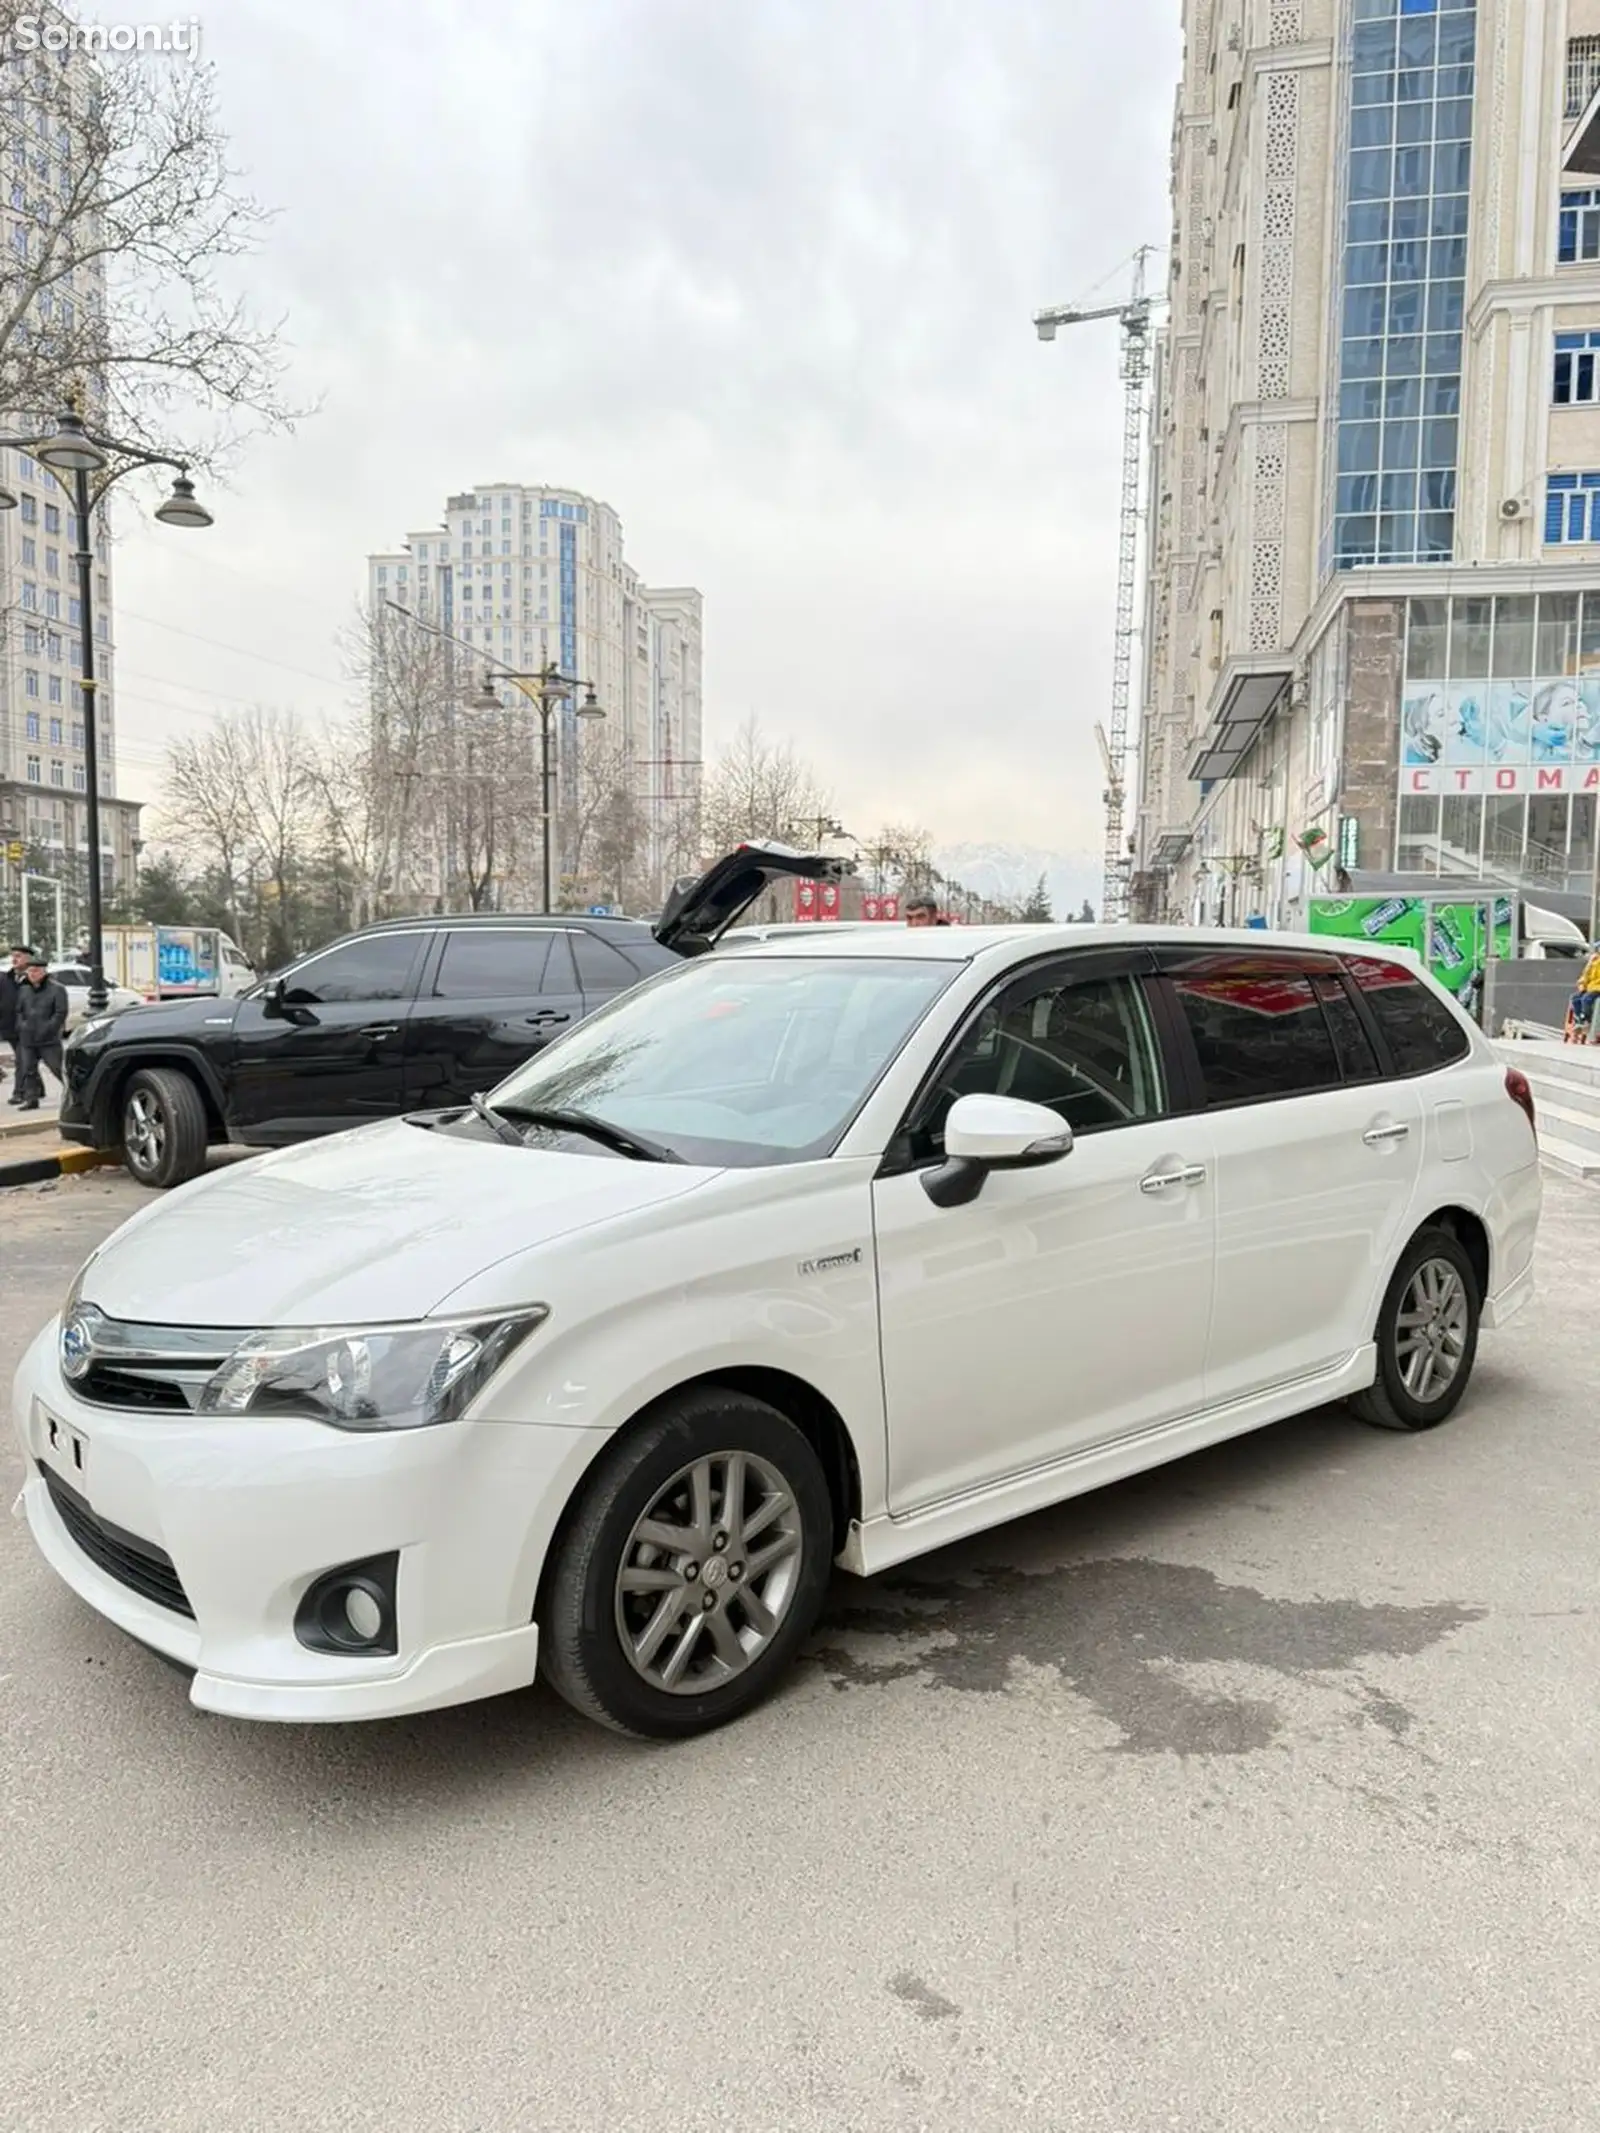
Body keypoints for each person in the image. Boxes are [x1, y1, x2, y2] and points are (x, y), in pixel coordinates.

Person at [12, 950, 68, 1111]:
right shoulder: (24, 989)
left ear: (44, 972)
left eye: (36, 971)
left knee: (58, 1068)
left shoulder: (56, 989)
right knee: (29, 1070)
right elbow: (19, 1010)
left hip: (48, 1039)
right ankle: (31, 1099)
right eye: (30, 971)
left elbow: (60, 1012)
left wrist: (50, 1028)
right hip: (27, 1038)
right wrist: (21, 1025)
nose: (32, 974)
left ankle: (75, 1095)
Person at [1, 943, 33, 1101]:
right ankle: (37, 1089)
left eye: (18, 956)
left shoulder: (35, 978)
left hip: (29, 1027)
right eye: (13, 956)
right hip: (10, 1026)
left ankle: (19, 1093)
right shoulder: (5, 978)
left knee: (22, 1060)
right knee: (26, 1060)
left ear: (28, 958)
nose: (14, 959)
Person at [1569, 943, 1600, 1035]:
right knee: (1575, 998)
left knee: (1586, 999)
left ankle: (1586, 1020)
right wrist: (1582, 985)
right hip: (1591, 986)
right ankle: (1580, 1020)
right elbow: (1585, 975)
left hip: (1597, 987)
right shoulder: (1594, 962)